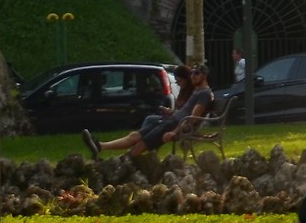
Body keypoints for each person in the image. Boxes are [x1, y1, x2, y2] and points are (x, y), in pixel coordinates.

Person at [84, 63, 214, 159]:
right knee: (135, 136)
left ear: (205, 75)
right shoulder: (197, 90)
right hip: (171, 120)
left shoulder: (204, 94)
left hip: (174, 125)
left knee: (142, 143)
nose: (193, 76)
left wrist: (174, 132)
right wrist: (171, 112)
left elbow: (193, 119)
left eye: (197, 73)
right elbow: (184, 112)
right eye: (192, 72)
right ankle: (100, 146)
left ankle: (118, 162)